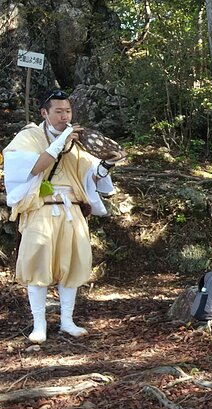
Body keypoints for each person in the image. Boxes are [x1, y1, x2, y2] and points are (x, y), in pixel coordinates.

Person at [2, 89, 118, 343]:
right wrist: (62, 140)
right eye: (58, 111)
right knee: (38, 265)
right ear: (45, 113)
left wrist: (108, 163)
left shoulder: (76, 141)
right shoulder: (29, 137)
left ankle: (67, 320)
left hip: (71, 210)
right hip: (41, 209)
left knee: (73, 264)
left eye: (68, 111)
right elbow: (32, 167)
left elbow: (91, 174)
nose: (64, 116)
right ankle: (39, 324)